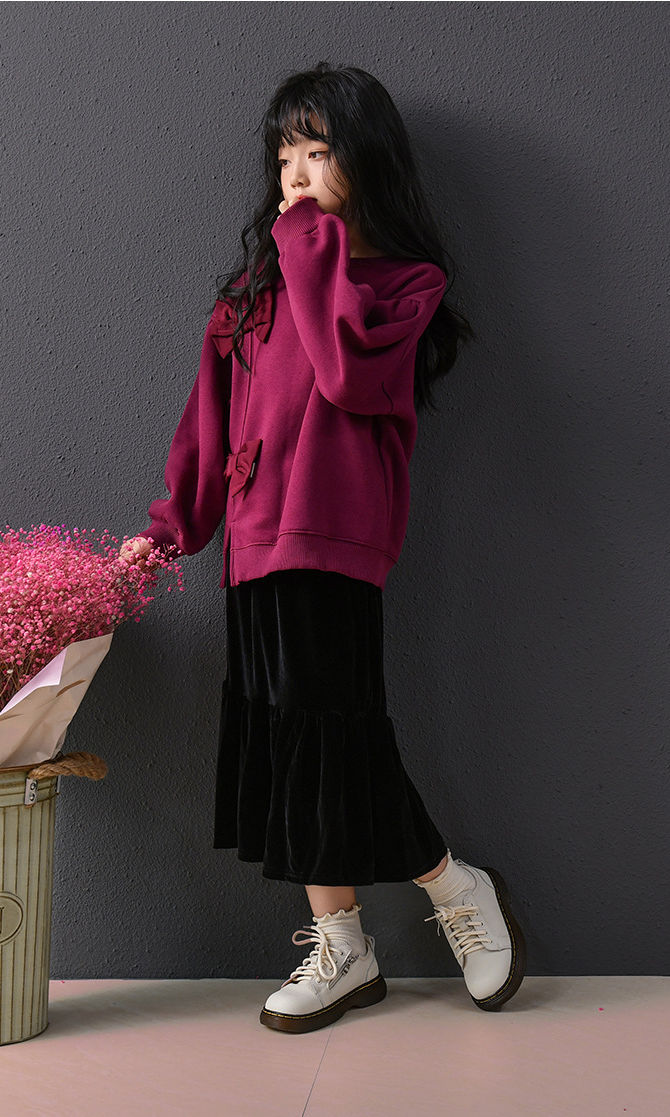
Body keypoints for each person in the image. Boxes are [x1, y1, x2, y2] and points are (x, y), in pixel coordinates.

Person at [120, 62, 526, 1034]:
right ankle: (344, 946)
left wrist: (307, 240)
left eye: (317, 150)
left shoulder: (405, 286)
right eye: (284, 156)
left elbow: (345, 372)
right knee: (290, 745)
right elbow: (208, 423)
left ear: (365, 157)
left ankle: (454, 885)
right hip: (253, 544)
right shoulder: (251, 295)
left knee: (337, 734)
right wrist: (172, 528)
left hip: (336, 540)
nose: (296, 173)